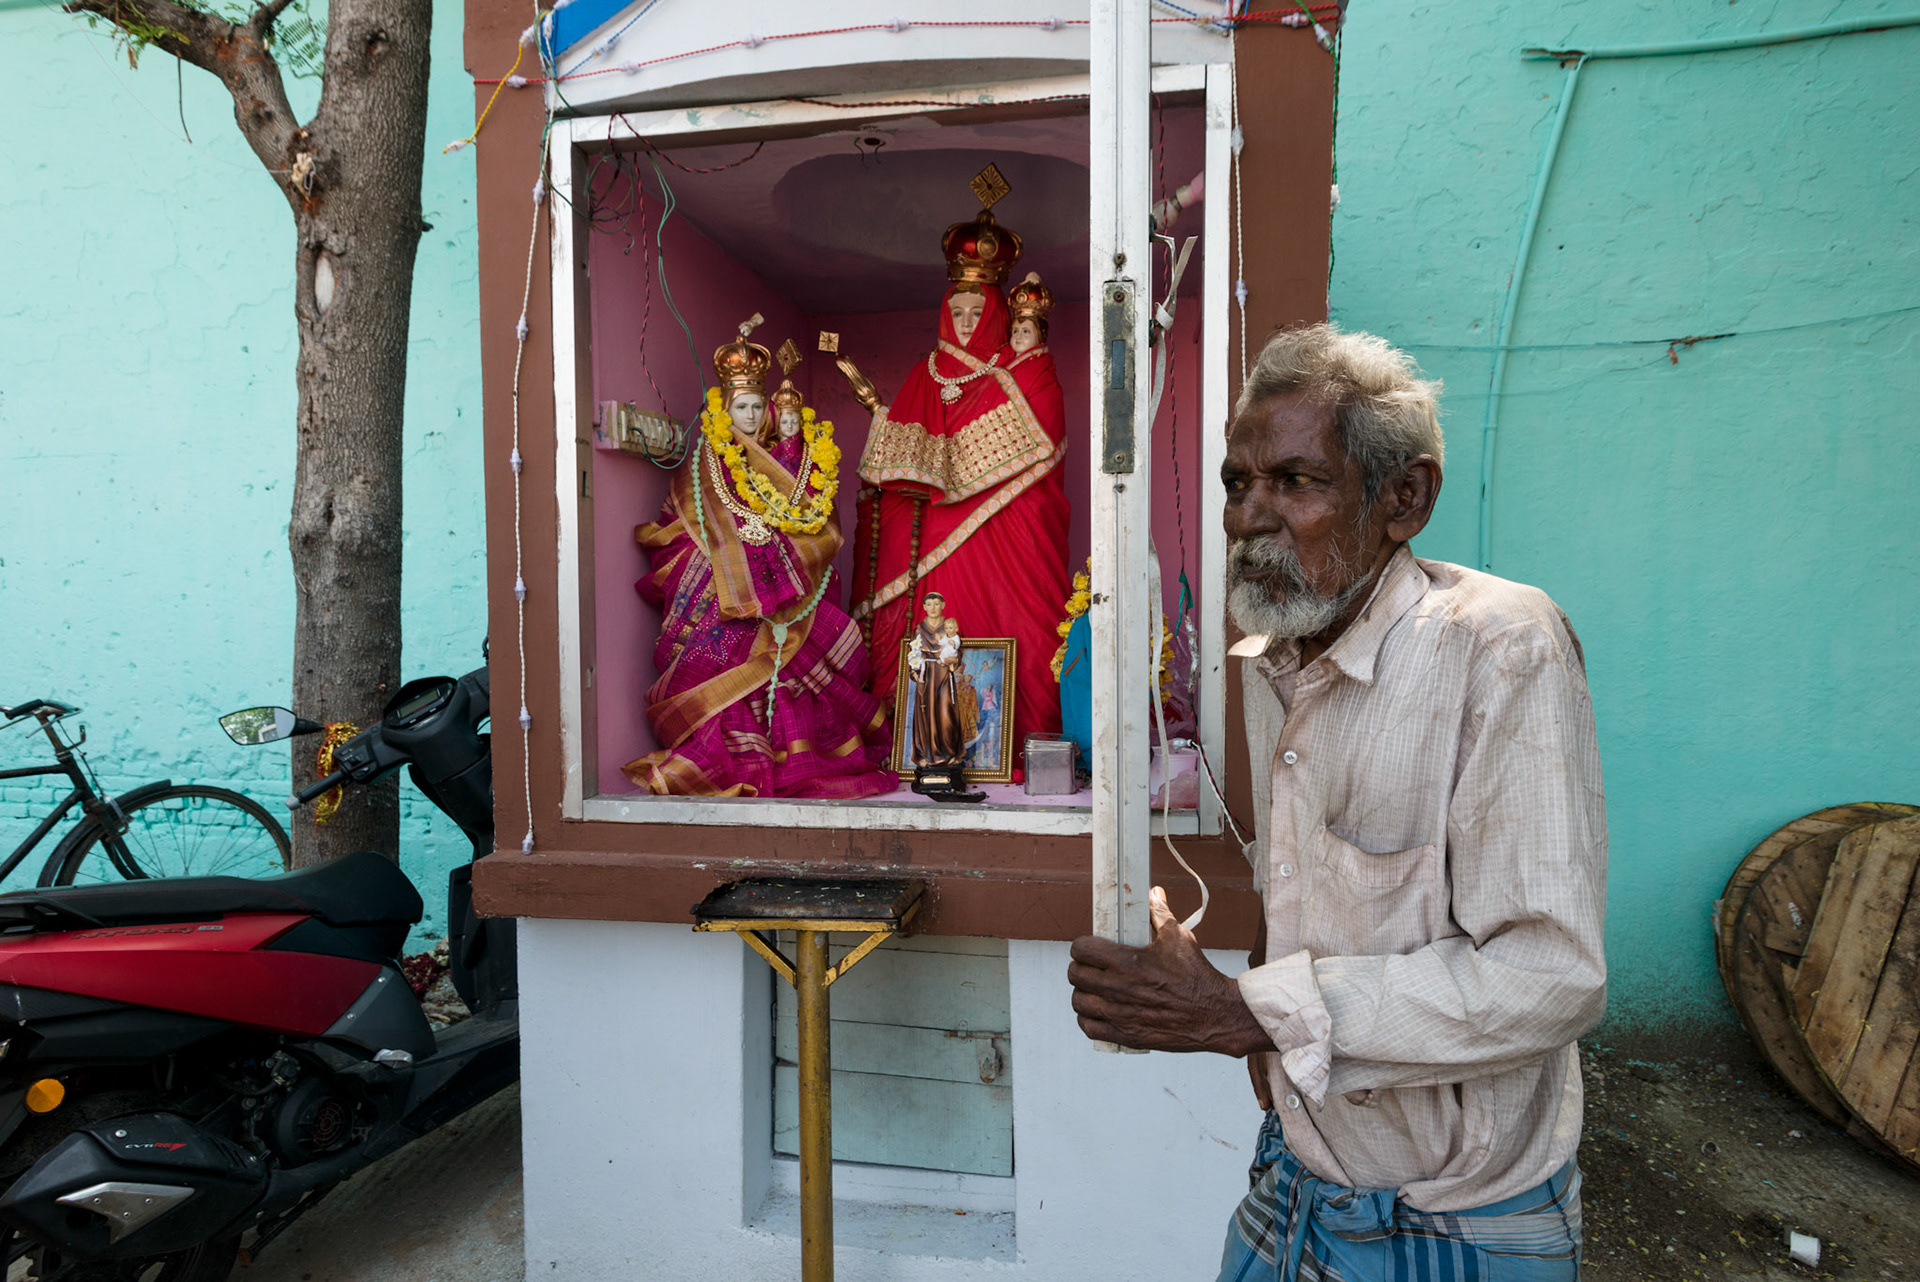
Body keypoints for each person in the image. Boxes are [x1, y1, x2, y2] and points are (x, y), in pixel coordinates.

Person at [1066, 324, 1607, 1280]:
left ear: (1406, 499)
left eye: (1296, 482)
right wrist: (1253, 1026)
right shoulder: (1277, 655)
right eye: (1238, 483)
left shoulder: (1497, 646)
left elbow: (1550, 975)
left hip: (1453, 1214)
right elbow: (1309, 894)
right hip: (1301, 1168)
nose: (1247, 517)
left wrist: (1246, 1016)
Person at [839, 195, 1072, 766]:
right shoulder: (926, 370)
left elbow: (1041, 435)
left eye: (979, 312)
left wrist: (950, 467)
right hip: (932, 530)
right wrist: (886, 432)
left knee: (1024, 617)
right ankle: (917, 745)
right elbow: (906, 453)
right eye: (958, 312)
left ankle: (1014, 744)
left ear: (998, 313)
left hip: (1007, 526)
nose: (968, 323)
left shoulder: (1021, 370)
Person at [623, 319, 894, 799]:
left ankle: (792, 756)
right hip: (724, 594)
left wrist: (772, 557)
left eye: (755, 407)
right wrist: (734, 567)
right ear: (725, 411)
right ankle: (731, 757)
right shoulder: (706, 462)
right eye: (739, 408)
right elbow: (683, 523)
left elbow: (811, 521)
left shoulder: (784, 459)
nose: (749, 417)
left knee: (794, 666)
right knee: (724, 664)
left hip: (785, 595)